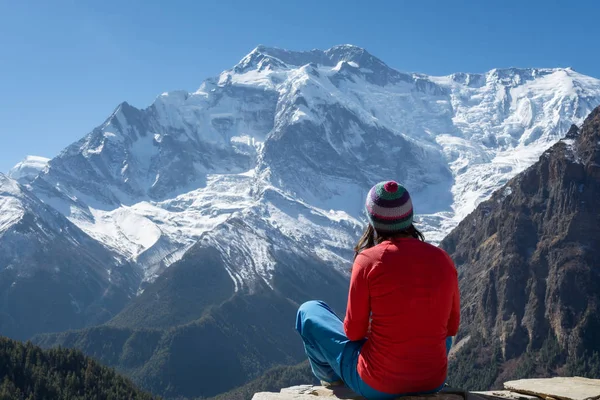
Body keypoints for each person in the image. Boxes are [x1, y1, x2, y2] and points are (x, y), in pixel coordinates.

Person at [295, 181, 460, 399]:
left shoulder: (367, 261)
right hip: (432, 381)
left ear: (372, 220)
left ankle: (333, 380)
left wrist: (376, 329)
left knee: (309, 311)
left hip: (378, 385)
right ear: (409, 216)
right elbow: (451, 328)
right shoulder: (443, 259)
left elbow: (353, 332)